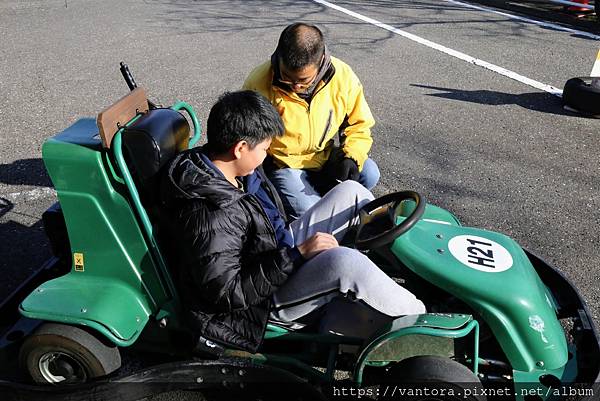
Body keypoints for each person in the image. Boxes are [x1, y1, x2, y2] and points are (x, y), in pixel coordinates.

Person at [160, 91, 424, 353]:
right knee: (345, 262)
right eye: (264, 148)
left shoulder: (232, 170)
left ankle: (410, 276)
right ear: (240, 148)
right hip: (258, 305)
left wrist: (294, 252)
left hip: (273, 256)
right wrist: (297, 255)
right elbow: (229, 293)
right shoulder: (211, 215)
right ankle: (422, 320)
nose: (267, 155)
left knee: (353, 193)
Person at [243, 22, 380, 219]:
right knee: (311, 213)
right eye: (287, 77)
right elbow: (247, 136)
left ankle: (326, 198)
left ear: (321, 61)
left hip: (323, 155)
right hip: (284, 165)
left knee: (370, 173)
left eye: (303, 80)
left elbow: (359, 124)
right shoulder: (259, 82)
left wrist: (351, 156)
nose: (296, 85)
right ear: (279, 58)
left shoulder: (343, 76)